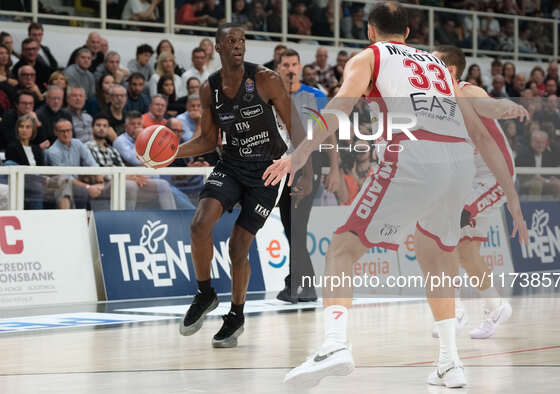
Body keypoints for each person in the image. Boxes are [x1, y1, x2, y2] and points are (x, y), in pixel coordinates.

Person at [263, 2, 526, 388]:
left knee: (341, 248)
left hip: (413, 154)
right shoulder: (437, 64)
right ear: (407, 33)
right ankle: (450, 363)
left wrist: (300, 152)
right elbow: (474, 116)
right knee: (436, 256)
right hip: (458, 162)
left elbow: (339, 107)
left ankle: (335, 344)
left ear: (371, 31)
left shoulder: (371, 55)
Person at [167, 24, 306, 348]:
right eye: (231, 41)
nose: (238, 46)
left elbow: (296, 127)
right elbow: (205, 140)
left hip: (266, 171)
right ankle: (205, 294)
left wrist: (303, 170)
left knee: (237, 246)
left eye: (242, 40)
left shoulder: (266, 79)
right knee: (200, 224)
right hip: (230, 164)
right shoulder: (209, 88)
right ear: (218, 47)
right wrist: (171, 153)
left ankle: (236, 315)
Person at [432, 45, 528, 339]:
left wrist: (506, 107)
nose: (424, 65)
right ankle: (495, 306)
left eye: (431, 61)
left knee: (444, 229)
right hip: (469, 178)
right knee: (466, 251)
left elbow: (487, 105)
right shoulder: (434, 98)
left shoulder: (465, 90)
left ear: (450, 70)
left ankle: (455, 310)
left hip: (494, 176)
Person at [274, 48, 339, 303]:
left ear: (300, 67)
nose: (290, 69)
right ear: (278, 68)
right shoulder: (272, 96)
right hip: (279, 167)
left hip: (305, 168)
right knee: (292, 227)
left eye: (294, 64)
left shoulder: (315, 96)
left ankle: (300, 286)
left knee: (297, 227)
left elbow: (329, 132)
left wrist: (334, 168)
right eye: (285, 64)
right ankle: (300, 285)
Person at [86, 114, 175, 210]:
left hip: (122, 179)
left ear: (108, 129)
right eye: (98, 125)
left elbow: (122, 168)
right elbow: (98, 174)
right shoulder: (87, 147)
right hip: (105, 183)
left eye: (104, 126)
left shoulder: (111, 149)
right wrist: (128, 177)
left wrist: (133, 176)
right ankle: (128, 218)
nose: (101, 129)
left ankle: (172, 219)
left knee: (163, 184)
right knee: (130, 185)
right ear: (92, 128)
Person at [45, 119, 103, 210]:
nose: (66, 134)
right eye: (62, 131)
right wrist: (88, 187)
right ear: (56, 132)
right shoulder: (53, 152)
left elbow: (91, 162)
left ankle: (100, 219)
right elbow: (66, 177)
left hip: (78, 180)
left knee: (103, 186)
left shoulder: (77, 143)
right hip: (62, 184)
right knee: (82, 191)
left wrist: (99, 177)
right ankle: (80, 219)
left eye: (68, 130)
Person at [4, 115, 45, 209]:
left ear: (33, 130)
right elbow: (14, 168)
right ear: (17, 129)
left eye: (28, 127)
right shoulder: (12, 147)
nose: (24, 130)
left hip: (37, 182)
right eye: (21, 126)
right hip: (21, 183)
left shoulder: (36, 149)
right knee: (9, 163)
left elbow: (42, 168)